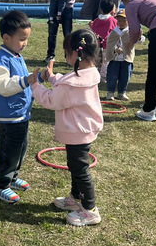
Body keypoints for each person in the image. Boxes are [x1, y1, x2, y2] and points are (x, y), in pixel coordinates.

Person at [31, 29, 103, 226]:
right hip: (83, 129)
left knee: (80, 170)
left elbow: (52, 99)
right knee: (75, 166)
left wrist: (35, 86)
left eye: (66, 53)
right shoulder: (89, 73)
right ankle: (75, 198)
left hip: (77, 132)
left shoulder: (72, 83)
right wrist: (53, 77)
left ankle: (90, 209)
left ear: (74, 54)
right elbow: (66, 84)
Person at [0, 10, 37, 203]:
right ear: (6, 37)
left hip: (20, 115)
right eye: (21, 39)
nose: (25, 43)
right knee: (7, 153)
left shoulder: (16, 55)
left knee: (20, 149)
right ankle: (1, 184)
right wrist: (26, 81)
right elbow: (2, 86)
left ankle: (12, 177)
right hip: (7, 119)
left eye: (27, 39)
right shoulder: (1, 59)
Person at [105, 10, 135, 101]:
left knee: (125, 76)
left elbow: (138, 40)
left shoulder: (131, 31)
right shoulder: (114, 32)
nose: (121, 23)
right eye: (119, 21)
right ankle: (110, 92)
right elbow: (109, 43)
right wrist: (115, 49)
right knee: (112, 76)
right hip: (115, 59)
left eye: (124, 20)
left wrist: (139, 36)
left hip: (126, 59)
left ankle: (122, 92)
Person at [89, 0, 118, 81]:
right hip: (107, 44)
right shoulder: (112, 20)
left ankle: (93, 75)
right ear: (113, 9)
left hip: (96, 44)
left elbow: (93, 30)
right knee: (105, 61)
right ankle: (103, 77)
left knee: (96, 60)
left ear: (101, 9)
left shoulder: (97, 20)